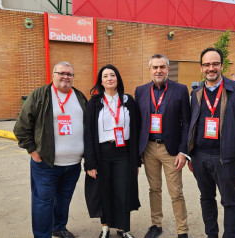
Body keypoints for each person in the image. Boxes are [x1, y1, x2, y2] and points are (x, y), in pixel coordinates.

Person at [13, 61, 87, 238]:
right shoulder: (41, 94)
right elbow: (21, 127)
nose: (65, 77)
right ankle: (42, 235)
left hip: (73, 164)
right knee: (43, 202)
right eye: (61, 73)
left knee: (64, 199)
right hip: (46, 163)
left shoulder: (79, 96)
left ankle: (58, 227)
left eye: (69, 74)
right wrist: (33, 151)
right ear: (53, 75)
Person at [187, 47, 235, 238]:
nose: (211, 68)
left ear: (222, 66)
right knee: (206, 199)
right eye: (207, 64)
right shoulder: (196, 93)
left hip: (226, 158)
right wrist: (190, 154)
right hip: (200, 157)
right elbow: (192, 125)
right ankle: (212, 235)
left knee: (230, 202)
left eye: (215, 64)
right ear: (201, 68)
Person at [135, 54, 190, 238]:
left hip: (171, 150)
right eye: (155, 67)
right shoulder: (141, 91)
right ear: (150, 70)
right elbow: (138, 123)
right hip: (149, 148)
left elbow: (187, 124)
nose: (159, 71)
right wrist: (138, 151)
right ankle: (155, 225)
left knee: (176, 191)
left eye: (162, 67)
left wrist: (183, 151)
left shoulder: (180, 90)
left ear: (168, 69)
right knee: (154, 189)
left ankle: (182, 230)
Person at [84, 64, 141, 238]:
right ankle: (105, 226)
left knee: (122, 190)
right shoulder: (94, 103)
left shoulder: (128, 101)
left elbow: (136, 130)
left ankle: (124, 228)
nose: (109, 78)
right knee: (104, 190)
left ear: (118, 79)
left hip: (123, 152)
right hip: (102, 153)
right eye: (105, 76)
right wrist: (90, 162)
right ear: (101, 81)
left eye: (113, 75)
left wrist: (136, 160)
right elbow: (88, 133)